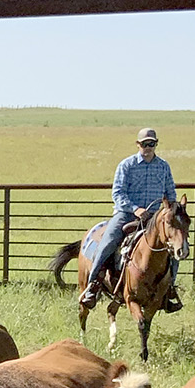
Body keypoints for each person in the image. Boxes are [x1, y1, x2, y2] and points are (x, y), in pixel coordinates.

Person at [80, 127, 183, 312]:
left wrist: (172, 210)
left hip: (155, 216)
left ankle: (169, 289)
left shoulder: (163, 166)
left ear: (156, 144)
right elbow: (118, 193)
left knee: (175, 245)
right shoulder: (127, 165)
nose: (148, 147)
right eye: (145, 144)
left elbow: (170, 193)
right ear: (138, 144)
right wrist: (135, 209)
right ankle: (93, 285)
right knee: (109, 240)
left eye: (152, 144)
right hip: (126, 213)